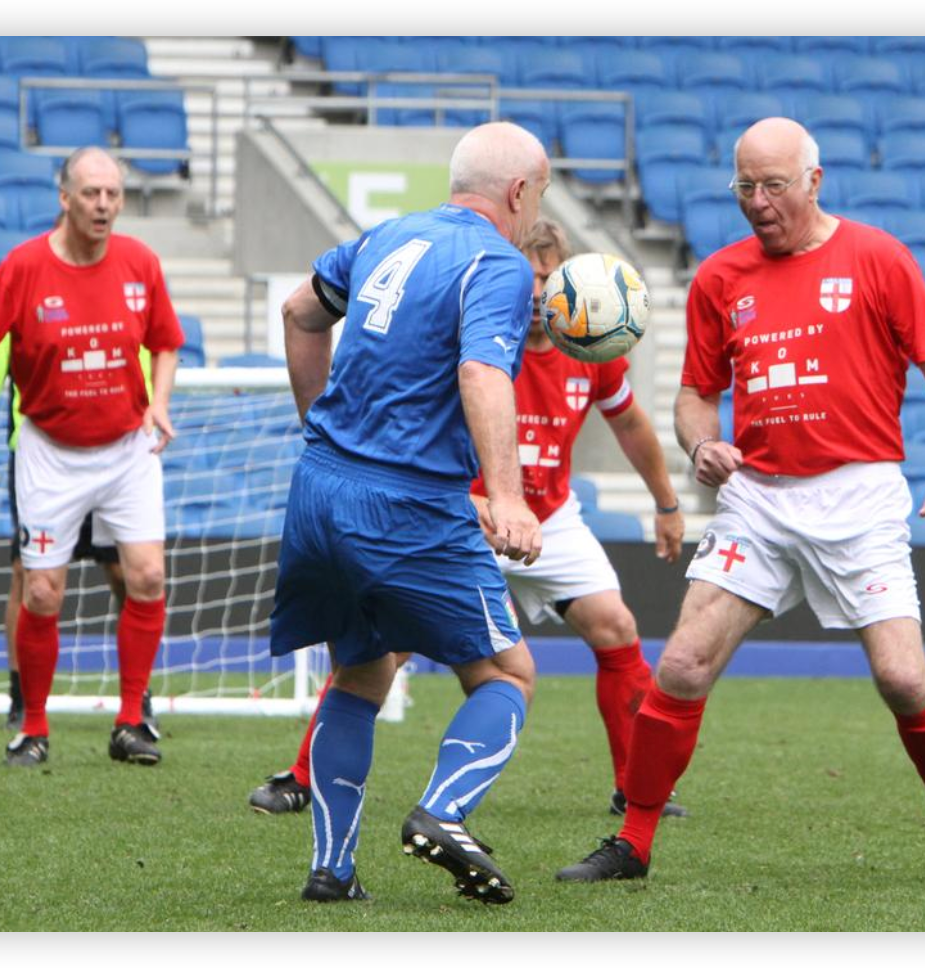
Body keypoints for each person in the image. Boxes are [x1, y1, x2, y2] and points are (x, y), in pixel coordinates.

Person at [557, 117, 925, 886]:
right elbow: (695, 397)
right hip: (758, 500)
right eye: (745, 187)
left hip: (859, 498)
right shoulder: (720, 278)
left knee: (903, 680)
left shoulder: (878, 258)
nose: (758, 202)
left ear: (814, 181)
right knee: (683, 663)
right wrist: (702, 444)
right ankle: (633, 841)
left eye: (774, 186)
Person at [249, 218, 690, 821]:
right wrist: (478, 501)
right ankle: (301, 777)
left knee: (615, 626)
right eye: (529, 277)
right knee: (386, 649)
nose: (537, 292)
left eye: (548, 278)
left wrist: (666, 504)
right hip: (464, 511)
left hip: (549, 516)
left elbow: (632, 424)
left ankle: (635, 788)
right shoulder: (483, 329)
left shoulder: (590, 349)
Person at [269, 121, 548, 904]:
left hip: (320, 489)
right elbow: (483, 374)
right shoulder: (498, 262)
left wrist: (319, 426)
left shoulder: (387, 235)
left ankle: (332, 870)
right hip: (408, 502)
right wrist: (507, 496)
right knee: (507, 673)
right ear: (518, 192)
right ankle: (444, 812)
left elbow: (299, 312)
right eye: (540, 192)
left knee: (360, 673)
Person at [0, 146, 182, 768]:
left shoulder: (141, 263)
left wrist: (159, 403)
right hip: (49, 453)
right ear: (64, 198)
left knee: (147, 576)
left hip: (127, 449)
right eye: (92, 193)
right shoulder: (23, 268)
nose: (104, 204)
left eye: (113, 193)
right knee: (41, 590)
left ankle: (132, 721)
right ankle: (32, 727)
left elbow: (166, 343)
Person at [0, 335, 157, 733]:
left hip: (114, 454)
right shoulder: (25, 308)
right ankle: (22, 698)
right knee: (29, 577)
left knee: (128, 574)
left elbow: (146, 361)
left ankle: (138, 697)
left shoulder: (121, 307)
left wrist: (149, 414)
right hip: (40, 460)